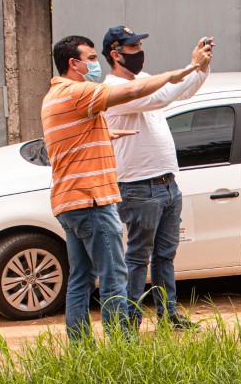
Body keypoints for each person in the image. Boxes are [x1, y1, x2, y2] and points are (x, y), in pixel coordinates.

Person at [41, 34, 208, 340]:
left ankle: (82, 351)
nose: (95, 65)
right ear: (73, 64)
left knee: (81, 279)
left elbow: (74, 142)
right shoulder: (77, 92)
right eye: (91, 59)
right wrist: (180, 71)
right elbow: (133, 90)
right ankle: (123, 348)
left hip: (71, 200)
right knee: (114, 275)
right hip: (92, 199)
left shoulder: (56, 96)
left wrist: (104, 136)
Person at [102, 28, 213, 330]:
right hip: (139, 187)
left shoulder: (142, 79)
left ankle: (169, 315)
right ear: (115, 54)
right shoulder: (114, 90)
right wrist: (191, 66)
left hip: (166, 184)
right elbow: (162, 96)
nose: (139, 50)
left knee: (165, 255)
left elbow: (185, 90)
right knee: (138, 259)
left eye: (139, 45)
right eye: (133, 46)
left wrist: (202, 66)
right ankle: (128, 324)